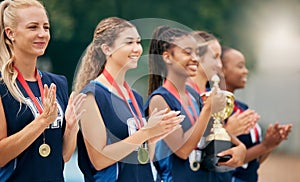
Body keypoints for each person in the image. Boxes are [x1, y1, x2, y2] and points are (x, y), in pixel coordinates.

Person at [73, 17, 184, 182]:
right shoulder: (91, 95)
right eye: (129, 42)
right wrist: (146, 132)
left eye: (138, 42)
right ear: (107, 48)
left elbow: (141, 155)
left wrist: (155, 134)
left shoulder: (135, 97)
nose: (137, 49)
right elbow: (99, 160)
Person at [144, 26, 246, 182]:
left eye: (196, 53)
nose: (195, 59)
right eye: (187, 52)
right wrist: (208, 109)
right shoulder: (160, 100)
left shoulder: (193, 96)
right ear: (167, 57)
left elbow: (211, 130)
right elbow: (183, 150)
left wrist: (239, 146)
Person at [0, 0, 86, 181]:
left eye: (46, 28)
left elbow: (62, 157)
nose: (42, 34)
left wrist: (71, 129)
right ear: (10, 33)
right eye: (33, 27)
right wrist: (42, 121)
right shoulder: (2, 86)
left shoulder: (57, 83)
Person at [221, 47, 292, 182]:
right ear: (221, 69)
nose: (245, 71)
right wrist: (264, 146)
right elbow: (223, 159)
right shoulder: (211, 105)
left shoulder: (242, 107)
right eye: (240, 66)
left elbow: (253, 163)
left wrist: (271, 144)